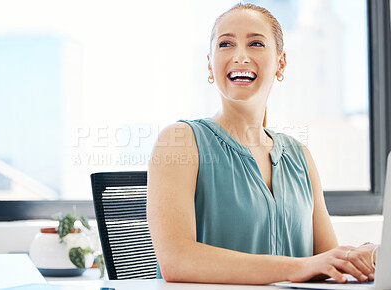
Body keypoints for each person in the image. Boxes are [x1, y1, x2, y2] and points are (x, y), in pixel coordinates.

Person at [147, 3, 378, 285]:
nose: (240, 56)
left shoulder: (299, 155)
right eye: (225, 44)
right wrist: (298, 267)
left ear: (281, 63)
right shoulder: (179, 141)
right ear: (210, 64)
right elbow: (177, 261)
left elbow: (327, 260)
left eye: (256, 43)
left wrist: (366, 256)